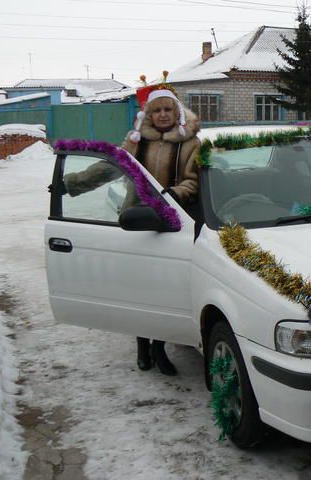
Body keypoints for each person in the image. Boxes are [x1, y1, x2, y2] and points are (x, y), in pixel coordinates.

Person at [121, 81, 201, 376]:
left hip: (171, 223)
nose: (164, 114)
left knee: (166, 288)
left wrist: (171, 197)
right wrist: (73, 184)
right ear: (150, 114)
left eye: (169, 109)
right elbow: (114, 166)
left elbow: (193, 181)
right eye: (158, 110)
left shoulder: (191, 142)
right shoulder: (135, 141)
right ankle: (143, 345)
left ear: (176, 111)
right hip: (137, 221)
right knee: (140, 288)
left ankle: (160, 346)